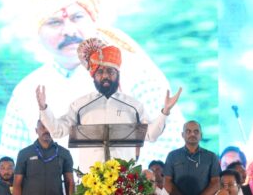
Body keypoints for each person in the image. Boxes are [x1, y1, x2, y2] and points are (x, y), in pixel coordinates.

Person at [0, 0, 186, 168]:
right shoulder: (28, 89)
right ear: (37, 32)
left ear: (93, 20)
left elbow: (170, 142)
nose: (69, 30)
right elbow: (11, 155)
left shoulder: (136, 73)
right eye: (54, 22)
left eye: (77, 17)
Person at [36, 38, 182, 172]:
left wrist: (165, 112)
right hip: (91, 182)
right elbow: (57, 131)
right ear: (93, 76)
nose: (105, 76)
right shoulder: (80, 105)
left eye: (110, 71)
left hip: (123, 183)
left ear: (117, 74)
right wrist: (44, 108)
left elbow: (150, 134)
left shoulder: (132, 105)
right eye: (100, 71)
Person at [13, 120, 74, 195]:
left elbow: (69, 182)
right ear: (36, 130)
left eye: (49, 127)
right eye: (42, 127)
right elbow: (17, 183)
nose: (46, 130)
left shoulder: (64, 153)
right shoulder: (24, 153)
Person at [164, 120, 221, 195]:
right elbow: (167, 181)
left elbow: (216, 182)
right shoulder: (172, 156)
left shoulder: (211, 156)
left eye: (196, 131)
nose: (192, 134)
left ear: (201, 135)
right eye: (188, 131)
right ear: (182, 135)